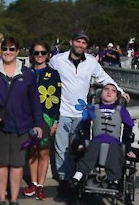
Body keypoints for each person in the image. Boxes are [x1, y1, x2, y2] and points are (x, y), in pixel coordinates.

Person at [48, 31, 130, 191]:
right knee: (61, 147)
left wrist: (120, 90)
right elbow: (46, 78)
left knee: (77, 147)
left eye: (84, 43)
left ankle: (75, 176)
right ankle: (65, 180)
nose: (80, 45)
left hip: (81, 113)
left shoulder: (91, 62)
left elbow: (104, 78)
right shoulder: (57, 60)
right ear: (71, 42)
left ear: (86, 46)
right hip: (62, 111)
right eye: (78, 42)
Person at [0, 37, 43, 205]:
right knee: (0, 163)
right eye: (5, 49)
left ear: (17, 51)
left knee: (17, 164)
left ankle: (14, 199)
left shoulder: (28, 74)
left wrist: (38, 124)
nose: (8, 52)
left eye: (11, 49)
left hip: (21, 125)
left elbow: (35, 101)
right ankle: (2, 198)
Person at [70, 83, 136, 188]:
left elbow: (128, 130)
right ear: (101, 94)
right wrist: (83, 143)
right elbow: (85, 128)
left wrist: (127, 149)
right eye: (106, 89)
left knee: (115, 149)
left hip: (114, 142)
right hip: (96, 140)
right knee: (92, 147)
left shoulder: (122, 110)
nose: (109, 92)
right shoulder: (92, 109)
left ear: (116, 97)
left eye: (113, 91)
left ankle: (113, 180)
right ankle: (78, 175)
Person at [23, 41, 61, 200]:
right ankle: (33, 183)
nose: (39, 56)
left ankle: (40, 185)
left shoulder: (53, 74)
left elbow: (57, 99)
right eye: (36, 53)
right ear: (32, 54)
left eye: (43, 53)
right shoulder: (26, 72)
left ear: (48, 55)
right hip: (28, 118)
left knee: (43, 151)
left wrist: (55, 121)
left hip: (46, 118)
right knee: (32, 151)